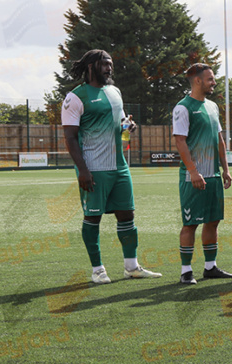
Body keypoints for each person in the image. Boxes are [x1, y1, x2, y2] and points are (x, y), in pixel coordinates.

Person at [61, 49, 161, 284]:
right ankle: (97, 270)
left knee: (127, 215)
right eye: (104, 64)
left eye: (111, 64)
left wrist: (128, 127)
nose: (109, 68)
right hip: (94, 168)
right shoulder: (74, 98)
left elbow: (121, 123)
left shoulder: (115, 92)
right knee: (92, 217)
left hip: (120, 166)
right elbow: (70, 138)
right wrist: (82, 170)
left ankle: (132, 267)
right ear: (90, 67)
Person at [172, 63, 232, 284]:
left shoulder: (212, 107)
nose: (214, 82)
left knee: (213, 221)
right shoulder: (183, 107)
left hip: (213, 176)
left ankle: (210, 267)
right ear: (198, 81)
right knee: (190, 223)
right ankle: (186, 271)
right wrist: (193, 171)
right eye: (210, 79)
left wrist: (225, 170)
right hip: (193, 177)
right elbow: (180, 141)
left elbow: (219, 139)